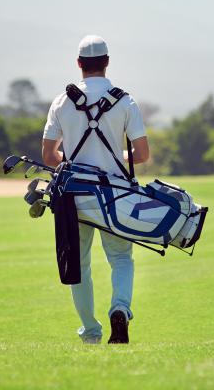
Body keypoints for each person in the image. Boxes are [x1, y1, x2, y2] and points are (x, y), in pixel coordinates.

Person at [42, 35, 149, 344]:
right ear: (107, 62)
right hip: (114, 195)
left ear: (79, 64)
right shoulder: (125, 101)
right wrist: (116, 158)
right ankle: (120, 309)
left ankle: (90, 331)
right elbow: (141, 155)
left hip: (73, 196)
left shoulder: (62, 102)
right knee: (121, 259)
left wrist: (75, 160)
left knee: (80, 264)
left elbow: (50, 156)